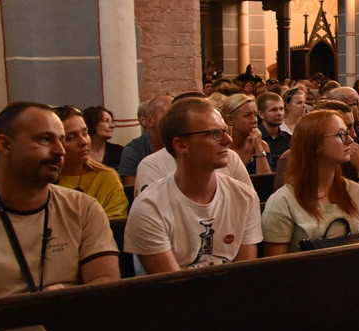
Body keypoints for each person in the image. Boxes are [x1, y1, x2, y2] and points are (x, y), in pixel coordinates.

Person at [0, 102, 120, 297]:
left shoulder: (83, 208)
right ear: (5, 145)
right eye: (45, 140)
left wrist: (63, 300)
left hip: (70, 319)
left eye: (61, 140)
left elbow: (105, 282)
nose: (60, 151)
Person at [124, 97, 261, 273]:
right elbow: (175, 286)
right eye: (214, 133)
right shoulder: (150, 207)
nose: (227, 140)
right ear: (181, 145)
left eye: (226, 131)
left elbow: (243, 276)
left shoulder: (244, 196)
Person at [262, 110, 359, 254]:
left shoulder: (356, 192)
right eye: (341, 134)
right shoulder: (283, 202)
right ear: (315, 145)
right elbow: (275, 269)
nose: (350, 140)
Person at [52, 106, 128, 218]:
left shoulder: (106, 178)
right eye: (71, 137)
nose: (83, 142)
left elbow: (113, 226)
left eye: (85, 133)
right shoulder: (41, 179)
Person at [117, 94, 173, 186]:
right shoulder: (134, 150)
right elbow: (134, 191)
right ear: (149, 120)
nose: (174, 118)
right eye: (168, 113)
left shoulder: (184, 144)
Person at [221, 94, 272, 175]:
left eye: (255, 115)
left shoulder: (262, 145)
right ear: (230, 119)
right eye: (247, 116)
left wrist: (258, 148)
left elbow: (265, 183)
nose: (254, 120)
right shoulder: (221, 147)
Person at [82, 105, 124, 170]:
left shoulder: (118, 151)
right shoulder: (80, 152)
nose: (112, 125)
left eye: (112, 122)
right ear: (92, 123)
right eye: (106, 121)